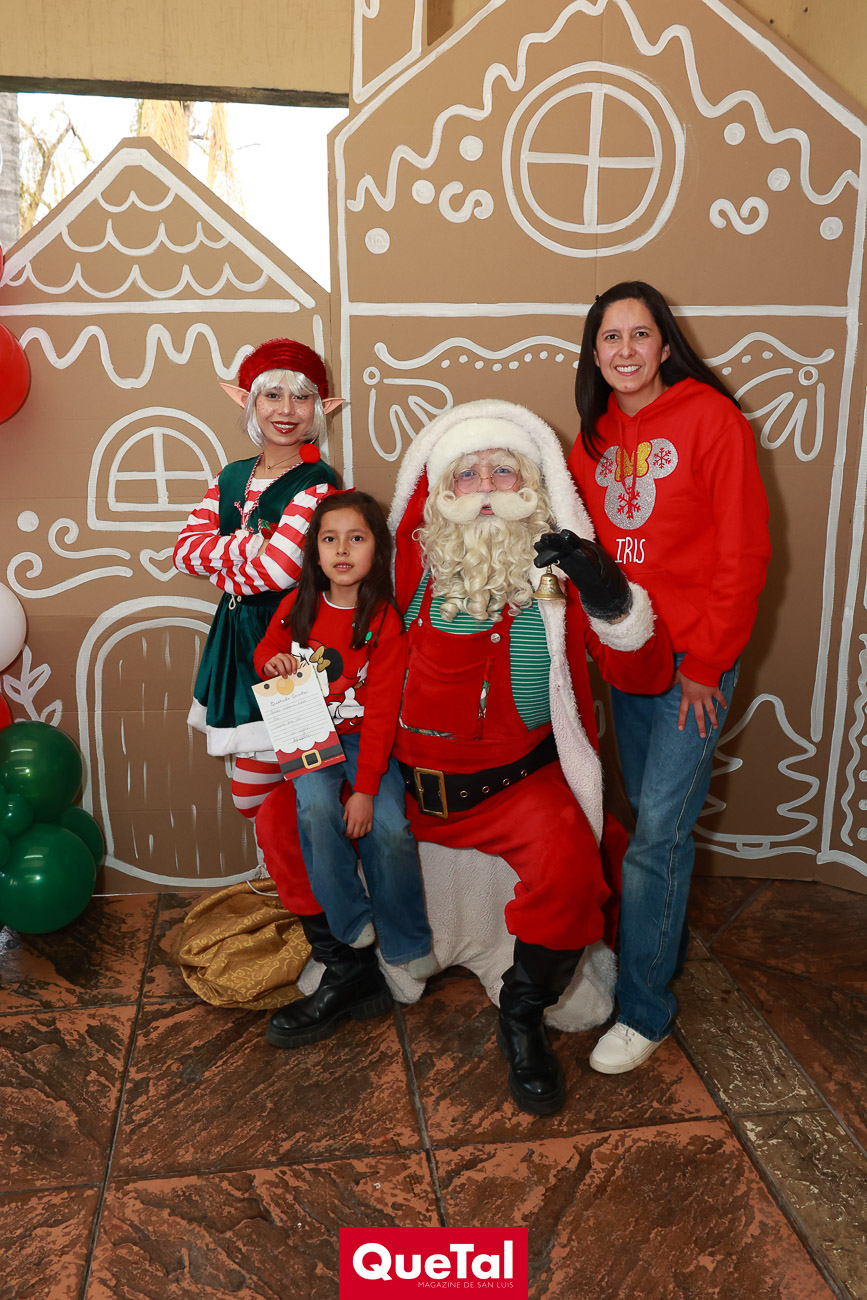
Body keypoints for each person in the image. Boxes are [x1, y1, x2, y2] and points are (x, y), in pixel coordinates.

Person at [384, 399, 673, 1115]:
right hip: (407, 787)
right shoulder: (406, 565)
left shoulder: (559, 576)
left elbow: (639, 665)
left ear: (534, 486)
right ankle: (352, 967)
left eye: (503, 470)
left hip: (516, 785)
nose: (485, 487)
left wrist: (608, 594)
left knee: (573, 875)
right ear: (440, 491)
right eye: (468, 473)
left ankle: (521, 1015)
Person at [562, 280, 771, 1075]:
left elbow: (743, 553)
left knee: (657, 832)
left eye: (639, 334)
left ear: (664, 344)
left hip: (694, 663)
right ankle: (655, 948)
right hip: (630, 652)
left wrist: (707, 665)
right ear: (594, 353)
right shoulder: (591, 439)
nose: (625, 350)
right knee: (642, 817)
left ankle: (643, 1008)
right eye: (609, 337)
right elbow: (582, 552)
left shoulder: (712, 420)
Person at [254, 491, 435, 1049]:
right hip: (309, 734)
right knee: (312, 809)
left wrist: (364, 789)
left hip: (364, 743)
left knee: (390, 828)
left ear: (376, 550)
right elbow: (265, 652)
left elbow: (380, 713)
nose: (341, 550)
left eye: (356, 538)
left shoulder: (383, 620)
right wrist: (273, 661)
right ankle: (351, 922)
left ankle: (407, 942)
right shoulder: (298, 606)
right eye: (329, 539)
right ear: (314, 551)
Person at [172, 338, 342, 821]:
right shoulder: (231, 476)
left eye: (301, 397)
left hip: (290, 640)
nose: (286, 410)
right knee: (251, 793)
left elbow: (280, 571)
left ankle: (306, 867)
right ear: (249, 401)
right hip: (234, 639)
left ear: (321, 408)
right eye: (272, 395)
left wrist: (223, 566)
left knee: (302, 785)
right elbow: (183, 552)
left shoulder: (318, 481)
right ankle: (283, 864)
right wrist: (247, 547)